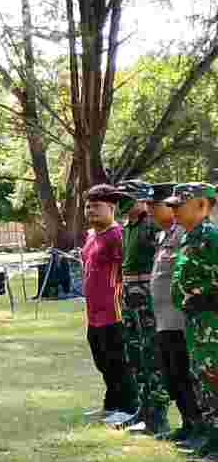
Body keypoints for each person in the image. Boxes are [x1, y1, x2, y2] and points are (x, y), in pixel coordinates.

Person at [79, 184, 137, 425]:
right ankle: (111, 404)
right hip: (93, 312)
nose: (90, 211)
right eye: (88, 206)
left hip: (114, 312)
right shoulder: (91, 236)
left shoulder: (118, 236)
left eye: (97, 207)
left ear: (112, 208)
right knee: (101, 360)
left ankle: (128, 407)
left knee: (117, 361)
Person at [152, 189, 206, 448]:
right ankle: (188, 425)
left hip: (184, 321)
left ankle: (201, 429)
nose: (173, 210)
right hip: (165, 320)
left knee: (189, 376)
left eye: (178, 205)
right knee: (173, 375)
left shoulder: (200, 234)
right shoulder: (169, 235)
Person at [172, 183, 218, 458]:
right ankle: (212, 438)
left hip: (212, 324)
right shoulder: (189, 236)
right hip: (196, 323)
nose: (174, 209)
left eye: (180, 204)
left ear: (202, 205)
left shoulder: (211, 237)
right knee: (203, 381)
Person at [120, 185, 169, 435]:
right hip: (130, 293)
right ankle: (144, 408)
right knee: (135, 352)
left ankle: (158, 415)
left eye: (129, 197)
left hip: (147, 293)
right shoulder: (127, 227)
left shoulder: (151, 225)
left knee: (152, 353)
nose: (122, 203)